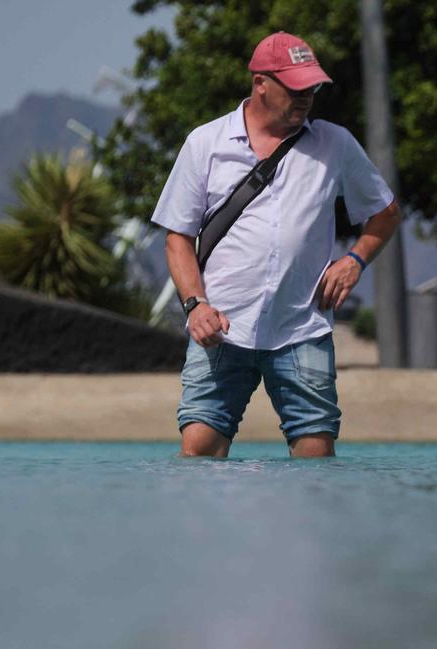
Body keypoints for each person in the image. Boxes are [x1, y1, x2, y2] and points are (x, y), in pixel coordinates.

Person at [153, 32, 402, 458]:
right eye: (296, 86)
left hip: (301, 329)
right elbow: (177, 236)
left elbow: (386, 212)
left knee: (315, 456)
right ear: (260, 83)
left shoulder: (335, 144)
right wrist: (195, 306)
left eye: (313, 86)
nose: (306, 96)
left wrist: (355, 260)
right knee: (199, 450)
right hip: (222, 330)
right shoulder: (205, 143)